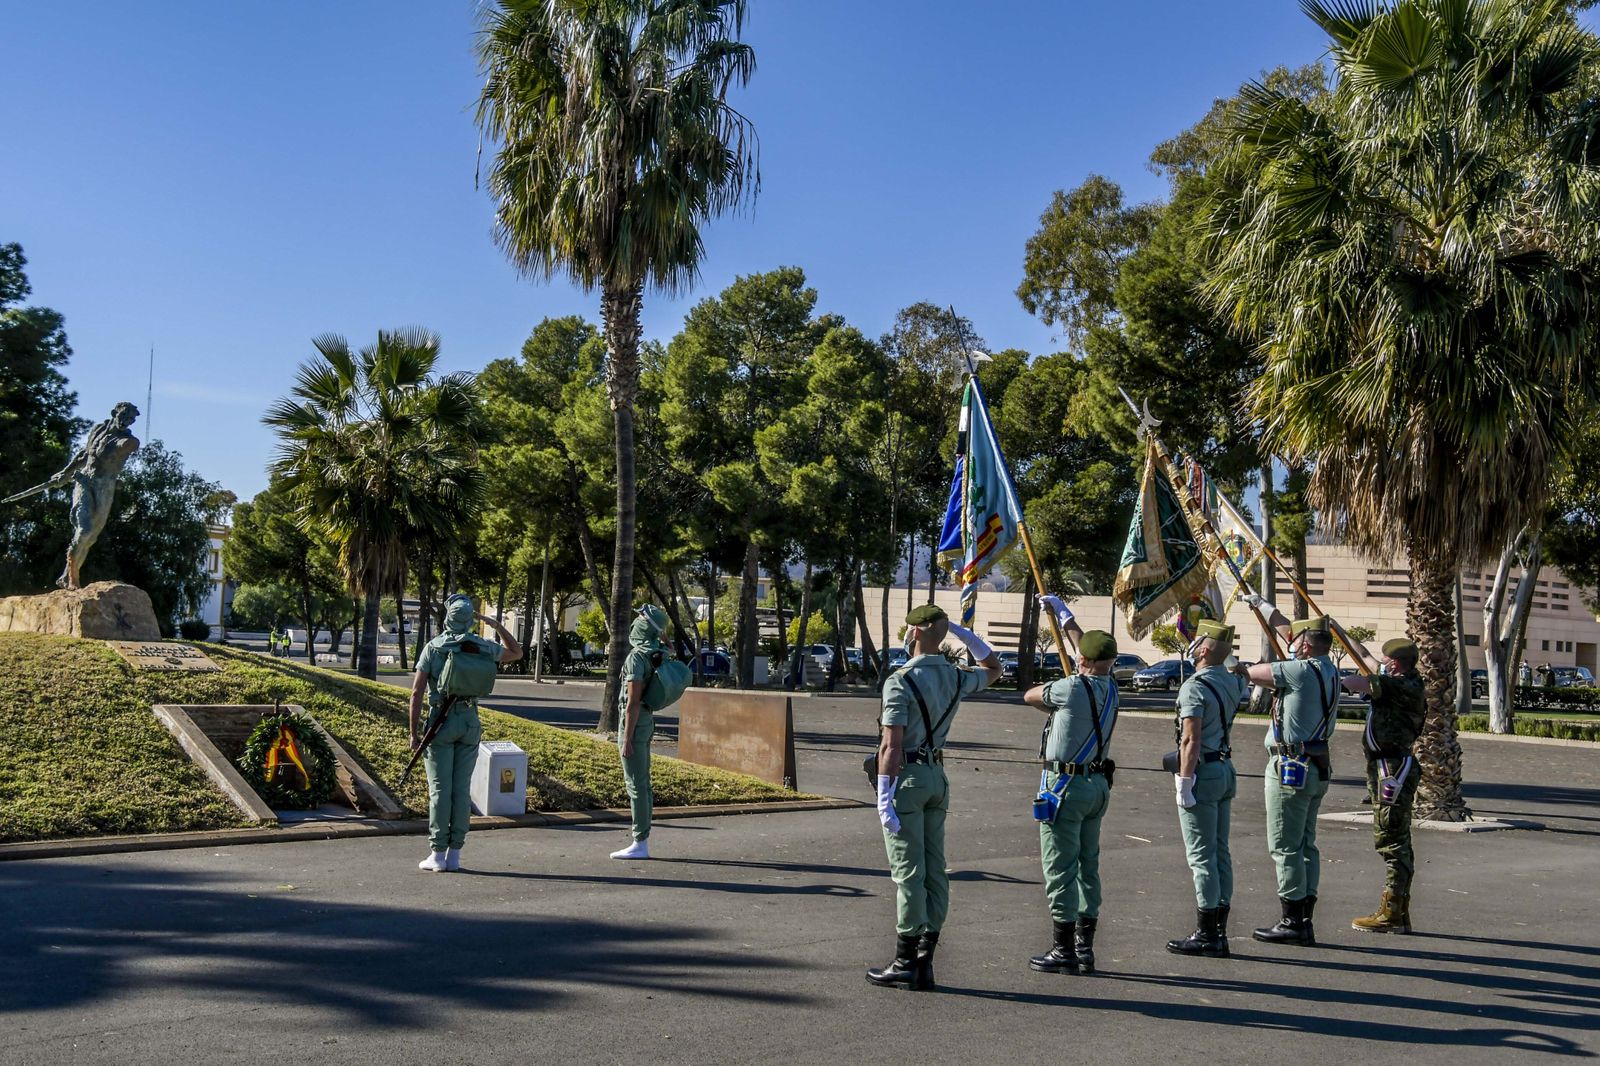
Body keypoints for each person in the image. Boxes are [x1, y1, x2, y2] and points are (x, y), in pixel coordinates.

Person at [866, 603, 1001, 991]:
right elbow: (994, 669)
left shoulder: (900, 681)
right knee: (934, 867)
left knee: (908, 872)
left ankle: (905, 959)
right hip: (937, 776)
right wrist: (964, 634)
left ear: (915, 632)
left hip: (906, 778)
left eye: (909, 629)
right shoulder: (956, 677)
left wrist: (883, 796)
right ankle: (926, 956)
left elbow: (890, 746)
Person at [1237, 596, 1340, 946]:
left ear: (1306, 645)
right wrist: (1263, 607)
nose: (1289, 645)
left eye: (1295, 642)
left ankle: (1291, 919)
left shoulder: (1297, 670)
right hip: (1315, 765)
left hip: (1290, 766)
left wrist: (1233, 664)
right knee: (1306, 844)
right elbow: (1289, 633)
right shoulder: (1328, 668)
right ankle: (1305, 915)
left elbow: (1251, 673)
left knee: (1284, 845)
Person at [1024, 594, 1118, 976]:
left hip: (1064, 786)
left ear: (1084, 661)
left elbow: (1029, 695)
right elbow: (1089, 648)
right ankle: (1085, 946)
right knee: (1087, 866)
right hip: (1096, 785)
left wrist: (1058, 698)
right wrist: (1065, 616)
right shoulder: (1112, 687)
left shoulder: (1070, 689)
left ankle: (1062, 948)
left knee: (1060, 867)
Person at [409, 594, 521, 872]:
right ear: (470, 619)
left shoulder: (434, 647)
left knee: (439, 790)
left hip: (440, 721)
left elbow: (416, 692)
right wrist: (495, 624)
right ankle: (455, 854)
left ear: (447, 618)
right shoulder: (481, 646)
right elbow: (516, 652)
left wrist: (413, 733)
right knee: (461, 790)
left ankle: (436, 855)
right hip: (470, 720)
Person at [1166, 619, 1249, 958]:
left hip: (1203, 771)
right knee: (1220, 852)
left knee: (1201, 855)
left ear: (1201, 648)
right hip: (1225, 768)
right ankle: (1220, 927)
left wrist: (1184, 781)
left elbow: (1190, 738)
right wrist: (1223, 647)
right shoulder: (1232, 681)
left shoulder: (1194, 686)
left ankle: (1207, 932)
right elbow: (1240, 668)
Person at [1339, 637, 1427, 933]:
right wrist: (1338, 630)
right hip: (1385, 764)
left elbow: (1356, 681)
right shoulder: (1399, 678)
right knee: (1395, 838)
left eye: (1387, 660)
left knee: (1392, 838)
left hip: (1393, 768)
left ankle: (1391, 911)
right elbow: (1364, 657)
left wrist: (1335, 679)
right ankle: (1398, 911)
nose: (1384, 663)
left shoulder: (1401, 685)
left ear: (1396, 663)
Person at [612, 604, 672, 860]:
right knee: (643, 783)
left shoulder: (637, 657)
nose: (635, 621)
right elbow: (670, 647)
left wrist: (627, 738)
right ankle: (642, 838)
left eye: (639, 617)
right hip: (647, 720)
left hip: (635, 723)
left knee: (635, 784)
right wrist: (662, 632)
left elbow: (632, 702)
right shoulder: (659, 652)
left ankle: (640, 842)